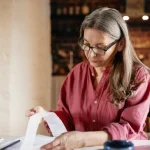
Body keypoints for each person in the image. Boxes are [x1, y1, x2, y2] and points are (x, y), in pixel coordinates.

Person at [26, 7, 150, 150]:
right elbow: (67, 117)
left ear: (121, 44)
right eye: (86, 45)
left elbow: (129, 129)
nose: (91, 54)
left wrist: (84, 139)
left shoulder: (138, 76)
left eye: (100, 47)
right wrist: (46, 116)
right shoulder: (76, 73)